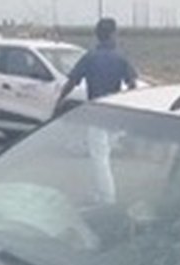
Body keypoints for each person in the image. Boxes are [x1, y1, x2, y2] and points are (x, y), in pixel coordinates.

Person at [58, 18, 138, 205]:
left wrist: (60, 100)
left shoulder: (90, 57)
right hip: (115, 113)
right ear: (112, 34)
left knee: (99, 158)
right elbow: (132, 84)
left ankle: (106, 197)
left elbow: (72, 82)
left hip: (97, 114)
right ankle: (101, 192)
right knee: (105, 155)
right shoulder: (120, 57)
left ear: (98, 35)